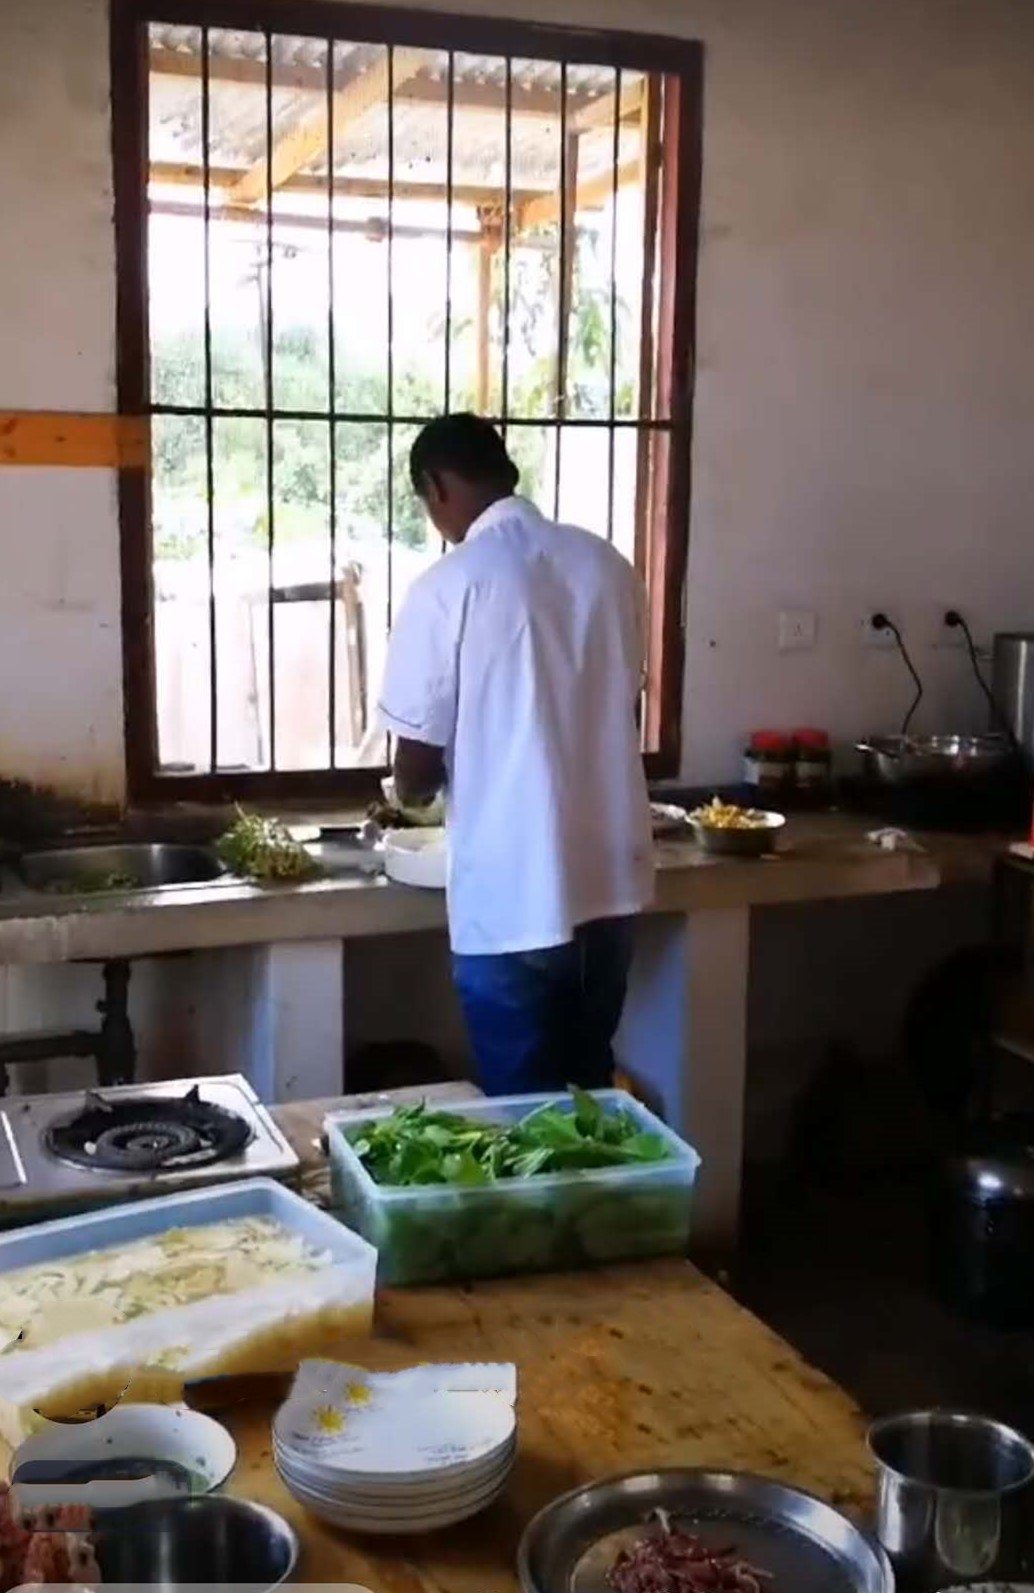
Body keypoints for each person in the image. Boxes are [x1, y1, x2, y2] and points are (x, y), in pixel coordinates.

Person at [377, 413, 654, 1095]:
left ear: (437, 487)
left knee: (520, 1112)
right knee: (589, 1091)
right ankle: (600, 1203)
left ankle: (539, 1207)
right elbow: (616, 704)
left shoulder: (449, 586)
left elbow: (416, 758)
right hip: (608, 887)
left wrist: (407, 798)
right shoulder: (609, 567)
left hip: (510, 899)